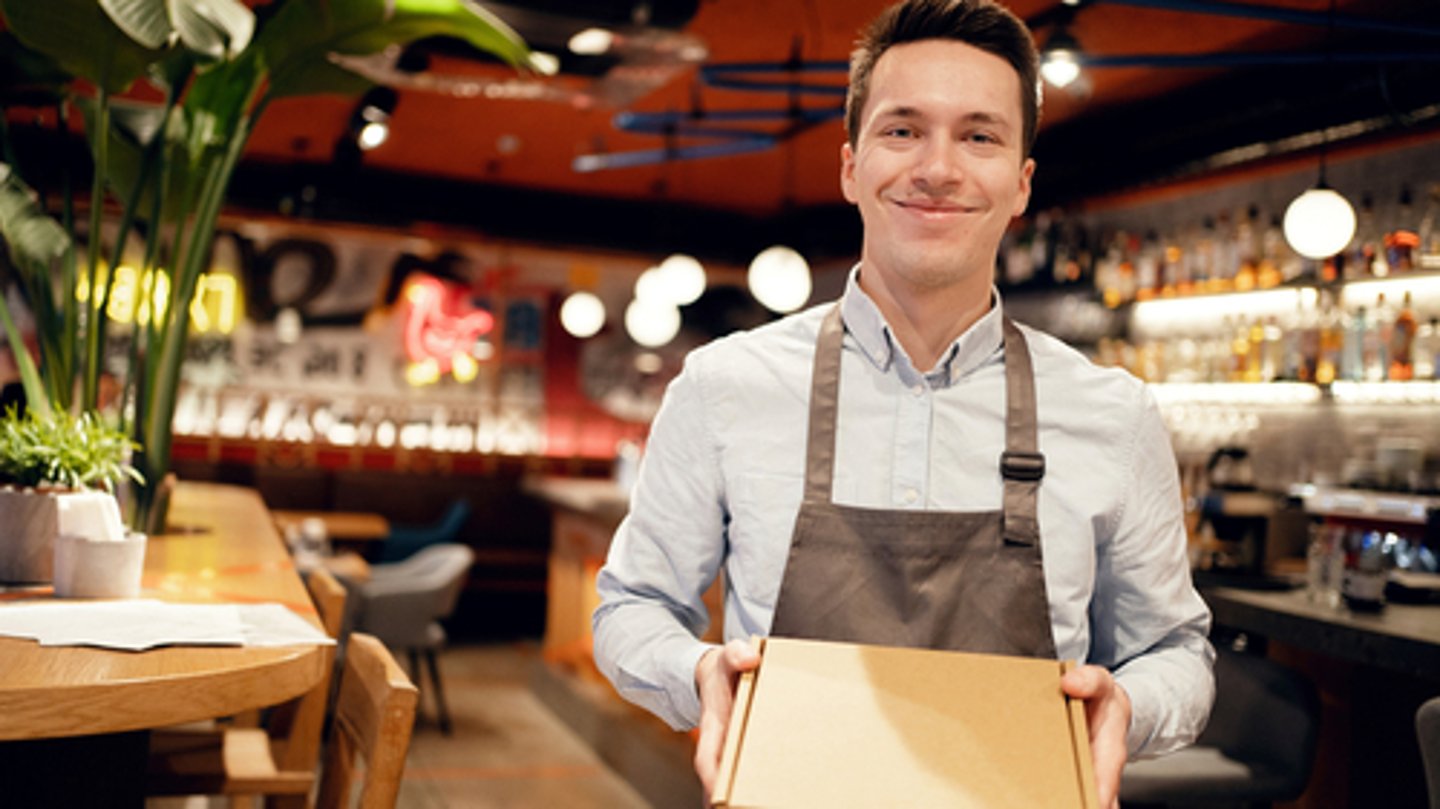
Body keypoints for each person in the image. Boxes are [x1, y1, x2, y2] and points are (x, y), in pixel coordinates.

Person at [592, 0, 1215, 805]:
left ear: (1021, 184)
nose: (938, 168)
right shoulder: (723, 387)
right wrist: (698, 672)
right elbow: (632, 605)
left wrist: (1130, 705)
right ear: (851, 166)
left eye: (980, 136)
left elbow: (1176, 651)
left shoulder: (1114, 415)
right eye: (902, 130)